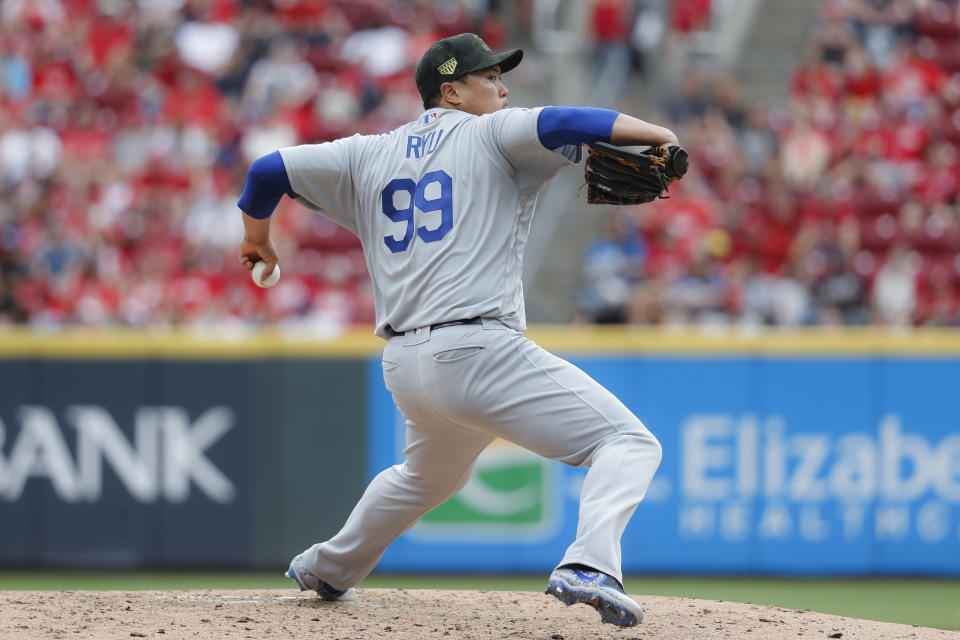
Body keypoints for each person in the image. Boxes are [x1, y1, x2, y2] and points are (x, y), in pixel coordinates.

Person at [236, 33, 676, 627]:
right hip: (478, 349)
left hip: (405, 364)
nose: (502, 86)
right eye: (489, 77)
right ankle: (591, 564)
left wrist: (257, 239)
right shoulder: (492, 130)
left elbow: (267, 171)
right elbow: (567, 120)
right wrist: (661, 136)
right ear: (452, 91)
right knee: (628, 444)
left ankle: (329, 567)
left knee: (428, 476)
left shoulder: (366, 153)